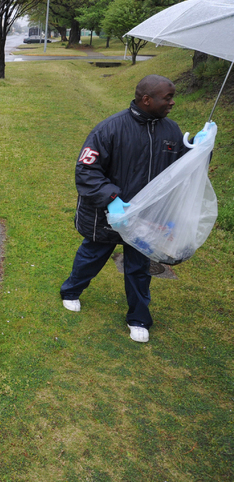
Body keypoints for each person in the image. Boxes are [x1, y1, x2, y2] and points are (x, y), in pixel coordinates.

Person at [60, 75, 189, 343]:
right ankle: (71, 291)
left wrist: (201, 149)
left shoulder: (172, 131)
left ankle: (139, 318)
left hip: (145, 219)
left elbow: (182, 169)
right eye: (168, 97)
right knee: (92, 256)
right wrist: (112, 198)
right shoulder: (110, 129)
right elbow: (86, 170)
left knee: (139, 268)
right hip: (108, 216)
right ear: (147, 99)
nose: (172, 102)